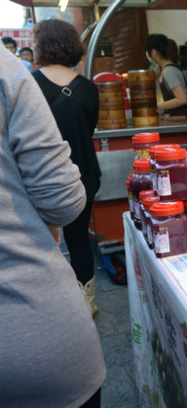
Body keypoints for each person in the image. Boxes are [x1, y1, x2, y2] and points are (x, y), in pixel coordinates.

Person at [0, 45, 106, 407]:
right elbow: (60, 200)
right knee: (79, 240)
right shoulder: (11, 73)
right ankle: (88, 295)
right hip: (28, 335)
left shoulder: (31, 77)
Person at [30, 19, 102, 315]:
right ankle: (87, 304)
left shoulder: (28, 85)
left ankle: (49, 307)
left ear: (41, 46)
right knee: (78, 239)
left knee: (41, 245)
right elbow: (89, 130)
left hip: (38, 177)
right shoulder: (88, 89)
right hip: (83, 174)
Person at [146, 33, 187, 118]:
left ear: (154, 52)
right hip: (181, 116)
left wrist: (157, 107)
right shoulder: (164, 68)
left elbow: (182, 99)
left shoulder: (169, 71)